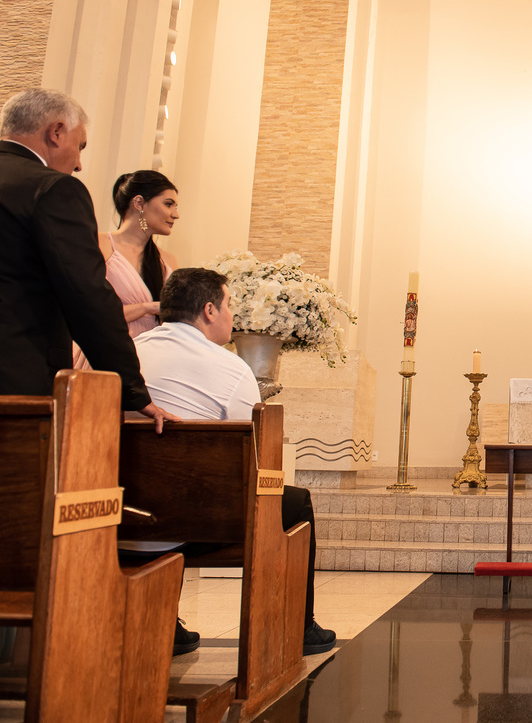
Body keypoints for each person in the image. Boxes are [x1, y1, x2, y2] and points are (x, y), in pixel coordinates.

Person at [133, 267, 337, 656]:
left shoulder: (124, 354)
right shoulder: (229, 368)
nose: (232, 315)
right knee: (295, 502)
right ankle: (298, 627)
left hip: (115, 516)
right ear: (209, 310)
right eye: (229, 305)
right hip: (194, 527)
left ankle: (166, 623)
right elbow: (254, 457)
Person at [0, 88, 173, 431]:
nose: (79, 164)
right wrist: (134, 392)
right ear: (56, 131)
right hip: (15, 382)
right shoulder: (54, 189)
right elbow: (88, 297)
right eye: (80, 146)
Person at [74, 170, 180, 368]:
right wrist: (147, 308)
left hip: (151, 362)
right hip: (104, 355)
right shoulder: (99, 244)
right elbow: (84, 311)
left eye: (175, 207)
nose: (176, 214)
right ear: (139, 203)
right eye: (168, 204)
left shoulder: (168, 260)